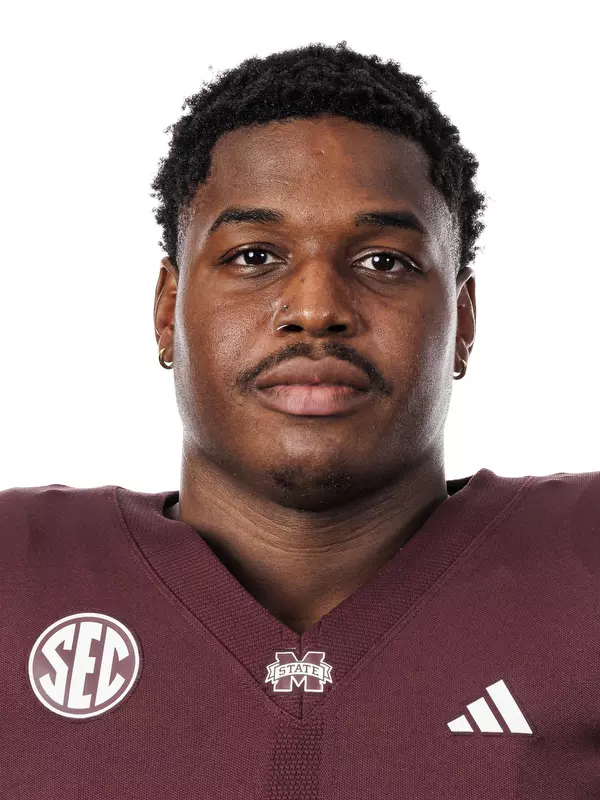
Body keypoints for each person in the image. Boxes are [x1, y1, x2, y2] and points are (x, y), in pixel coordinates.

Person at [2, 40, 598, 800]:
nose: (317, 309)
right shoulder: (17, 576)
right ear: (166, 311)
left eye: (384, 261)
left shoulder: (583, 565)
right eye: (255, 256)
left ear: (464, 322)